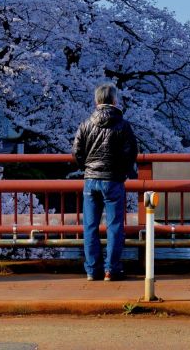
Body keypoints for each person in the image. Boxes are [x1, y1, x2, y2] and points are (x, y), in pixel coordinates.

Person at [72, 83, 138, 281]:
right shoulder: (123, 125)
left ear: (96, 101)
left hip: (91, 180)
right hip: (113, 180)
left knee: (90, 226)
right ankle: (111, 269)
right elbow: (131, 152)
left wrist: (87, 167)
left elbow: (77, 152)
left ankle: (92, 270)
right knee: (115, 226)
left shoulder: (86, 124)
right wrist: (123, 171)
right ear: (114, 100)